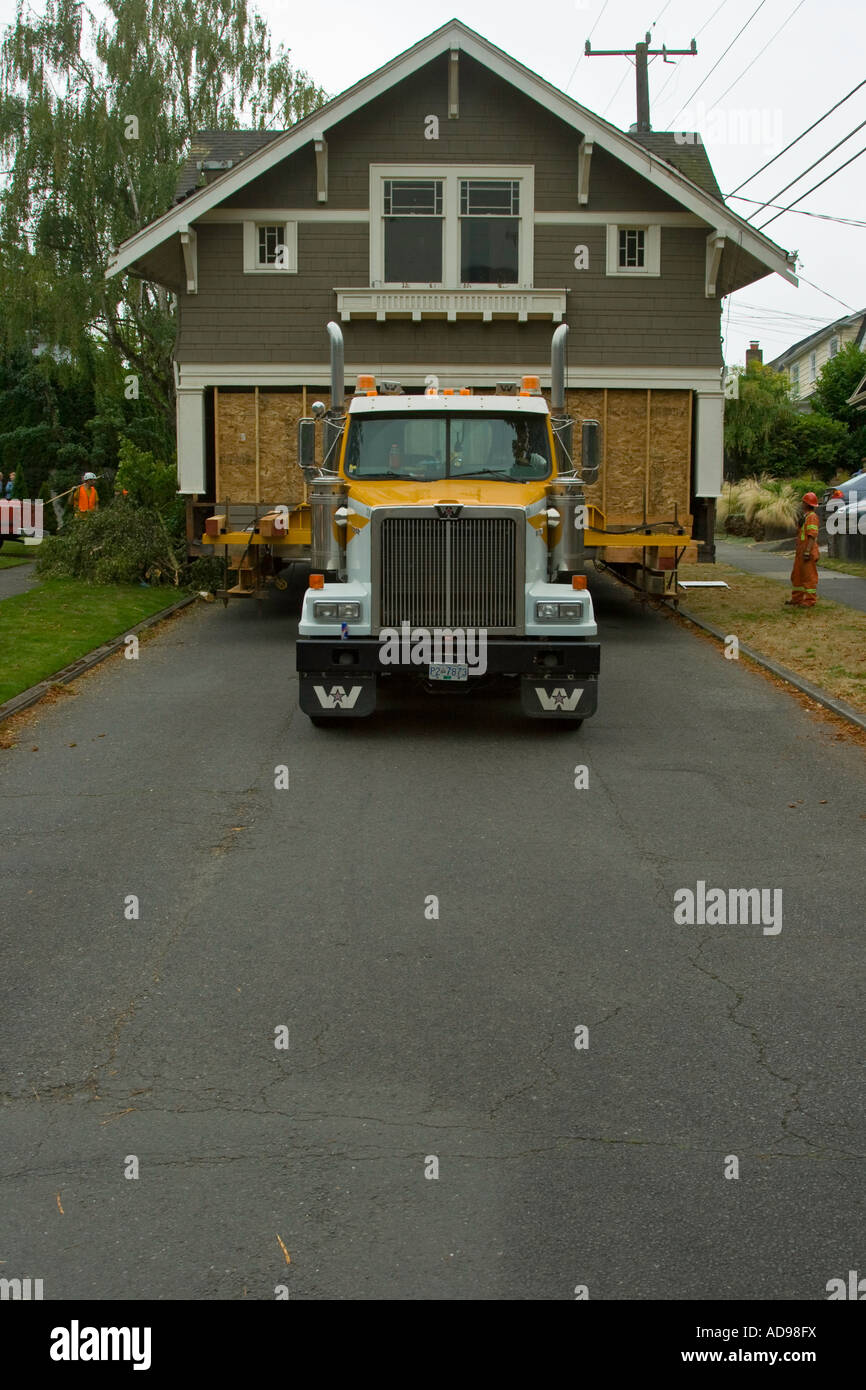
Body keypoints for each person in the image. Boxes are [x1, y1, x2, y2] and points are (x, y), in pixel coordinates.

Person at [785, 490, 820, 609]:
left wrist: (807, 551)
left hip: (807, 551)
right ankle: (797, 598)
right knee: (797, 576)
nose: (801, 504)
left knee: (809, 577)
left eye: (803, 502)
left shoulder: (812, 517)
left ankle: (810, 600)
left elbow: (812, 535)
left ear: (806, 503)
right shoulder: (805, 517)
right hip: (801, 551)